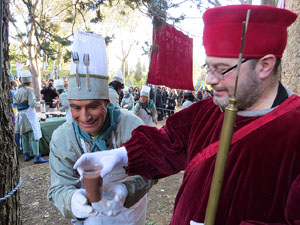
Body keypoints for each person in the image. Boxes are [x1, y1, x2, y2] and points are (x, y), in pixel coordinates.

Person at [74, 5, 300, 225]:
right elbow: (169, 143)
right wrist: (122, 155)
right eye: (208, 67)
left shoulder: (294, 130)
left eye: (221, 69)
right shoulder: (207, 110)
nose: (210, 80)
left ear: (265, 66)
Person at [47, 31, 156, 225]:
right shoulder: (63, 138)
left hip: (129, 213)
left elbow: (150, 171)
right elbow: (60, 186)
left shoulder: (131, 127)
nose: (85, 116)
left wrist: (126, 190)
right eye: (75, 108)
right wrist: (71, 200)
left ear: (106, 102)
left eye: (92, 106)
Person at [13, 70, 48, 163]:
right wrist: (39, 103)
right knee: (33, 135)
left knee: (24, 135)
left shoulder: (17, 91)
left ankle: (26, 154)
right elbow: (32, 103)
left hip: (20, 115)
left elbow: (14, 102)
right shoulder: (29, 90)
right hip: (29, 114)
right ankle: (36, 156)